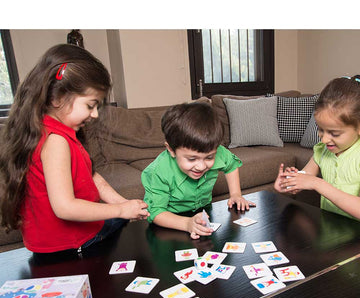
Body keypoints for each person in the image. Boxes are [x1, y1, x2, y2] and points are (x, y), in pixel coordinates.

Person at [0, 44, 149, 254]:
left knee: (125, 222)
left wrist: (123, 203)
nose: (95, 114)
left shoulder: (57, 129)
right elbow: (65, 207)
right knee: (138, 241)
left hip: (79, 235)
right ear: (57, 98)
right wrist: (121, 210)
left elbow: (93, 176)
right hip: (69, 245)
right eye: (90, 105)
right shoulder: (56, 141)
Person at [141, 102, 255, 239]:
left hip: (203, 213)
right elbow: (156, 212)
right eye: (192, 159)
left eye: (209, 157)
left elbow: (231, 165)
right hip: (170, 223)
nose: (201, 167)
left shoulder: (219, 152)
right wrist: (187, 223)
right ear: (171, 149)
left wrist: (236, 194)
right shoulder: (158, 172)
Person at [274, 75, 360, 220]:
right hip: (331, 232)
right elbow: (305, 178)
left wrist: (317, 184)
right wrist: (289, 183)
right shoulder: (322, 150)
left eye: (334, 133)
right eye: (320, 129)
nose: (324, 139)